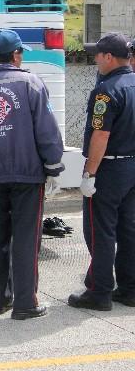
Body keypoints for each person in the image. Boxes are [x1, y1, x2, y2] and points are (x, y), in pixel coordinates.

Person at [0, 30, 64, 320]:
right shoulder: (31, 83)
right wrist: (54, 165)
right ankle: (26, 303)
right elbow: (46, 130)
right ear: (15, 55)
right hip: (27, 175)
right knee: (26, 237)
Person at [68, 33, 135, 310]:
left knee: (100, 231)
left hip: (108, 167)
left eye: (98, 54)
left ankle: (99, 291)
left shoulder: (105, 91)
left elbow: (100, 136)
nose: (95, 59)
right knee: (129, 229)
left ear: (109, 57)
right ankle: (130, 289)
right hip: (131, 166)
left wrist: (89, 175)